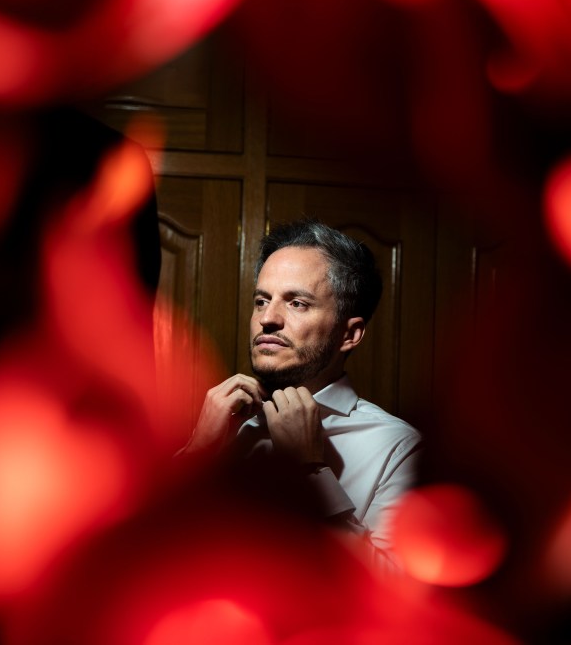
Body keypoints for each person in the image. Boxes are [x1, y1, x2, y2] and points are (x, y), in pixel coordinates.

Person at [180, 218, 422, 570]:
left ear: (349, 334)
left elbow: (396, 592)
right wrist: (196, 452)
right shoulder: (226, 427)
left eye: (297, 303)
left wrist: (311, 471)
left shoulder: (397, 448)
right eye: (261, 300)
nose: (268, 318)